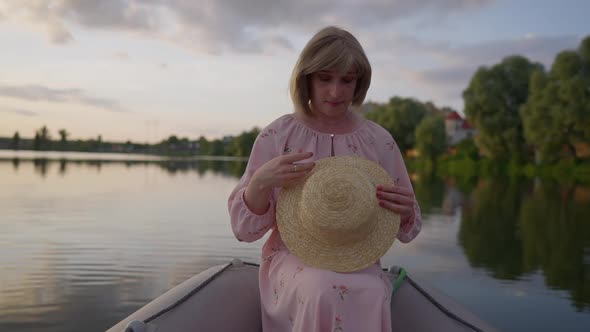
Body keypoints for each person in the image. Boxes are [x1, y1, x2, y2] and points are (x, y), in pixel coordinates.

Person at [228, 26, 421, 332]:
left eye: (347, 80)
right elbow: (244, 231)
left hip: (360, 261)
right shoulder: (279, 134)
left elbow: (408, 228)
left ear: (359, 82)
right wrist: (259, 183)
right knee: (319, 287)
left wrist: (407, 211)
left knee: (372, 291)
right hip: (289, 260)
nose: (336, 92)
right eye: (325, 78)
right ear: (307, 78)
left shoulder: (378, 140)